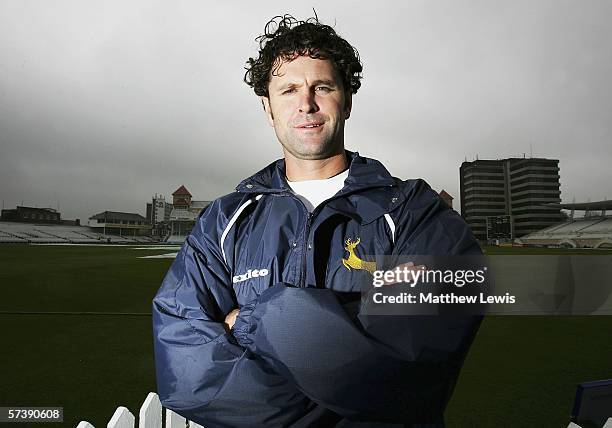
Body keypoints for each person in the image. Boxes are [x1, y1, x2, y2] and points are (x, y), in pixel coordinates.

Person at [152, 14, 484, 427]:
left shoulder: (416, 213)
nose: (306, 104)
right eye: (288, 89)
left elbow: (407, 369)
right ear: (267, 107)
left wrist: (252, 320)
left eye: (322, 87)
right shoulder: (223, 220)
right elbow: (186, 370)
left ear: (346, 99)